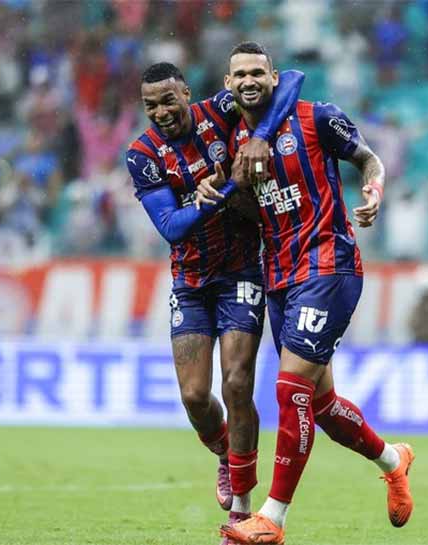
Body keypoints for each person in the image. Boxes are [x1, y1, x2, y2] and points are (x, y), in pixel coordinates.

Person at [202, 42, 414, 545]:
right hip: (278, 276)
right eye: (240, 75)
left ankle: (272, 518)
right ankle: (393, 459)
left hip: (329, 265)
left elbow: (370, 159)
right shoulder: (231, 138)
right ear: (228, 85)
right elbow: (247, 206)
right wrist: (217, 191)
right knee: (320, 406)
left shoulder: (317, 119)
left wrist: (374, 192)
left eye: (259, 72)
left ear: (273, 77)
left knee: (288, 387)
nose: (249, 80)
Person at [125, 62, 304, 538]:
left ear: (186, 92)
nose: (161, 112)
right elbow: (170, 227)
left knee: (238, 383)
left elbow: (291, 80)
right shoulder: (142, 155)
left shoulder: (219, 109)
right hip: (191, 281)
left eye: (168, 100)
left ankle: (242, 512)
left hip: (242, 270)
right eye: (150, 106)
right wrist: (218, 192)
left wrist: (259, 137)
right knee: (194, 396)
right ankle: (227, 454)